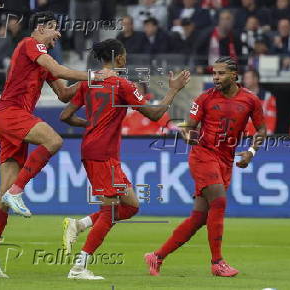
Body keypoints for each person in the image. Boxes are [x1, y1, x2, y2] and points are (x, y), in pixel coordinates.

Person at [0, 11, 112, 278]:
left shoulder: (42, 60)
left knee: (1, 195)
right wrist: (95, 75)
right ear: (41, 28)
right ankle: (18, 190)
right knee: (53, 139)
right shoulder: (30, 44)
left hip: (12, 118)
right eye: (54, 29)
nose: (58, 35)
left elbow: (63, 93)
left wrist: (90, 86)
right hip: (11, 113)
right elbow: (60, 69)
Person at [59, 38, 190, 280]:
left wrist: (91, 125)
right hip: (102, 154)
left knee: (130, 206)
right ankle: (79, 267)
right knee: (109, 213)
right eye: (125, 54)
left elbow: (65, 115)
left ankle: (80, 224)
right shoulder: (122, 84)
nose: (126, 58)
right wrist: (173, 89)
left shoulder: (90, 80)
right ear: (119, 57)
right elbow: (155, 114)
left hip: (96, 150)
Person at [144, 56, 266, 277]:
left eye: (221, 73)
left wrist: (251, 152)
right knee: (219, 200)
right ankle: (217, 262)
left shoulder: (251, 100)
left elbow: (262, 130)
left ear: (234, 75)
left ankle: (157, 256)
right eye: (214, 73)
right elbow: (187, 127)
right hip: (203, 155)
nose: (216, 78)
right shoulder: (204, 99)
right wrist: (187, 134)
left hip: (225, 160)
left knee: (200, 218)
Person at [242, 69, 276, 135]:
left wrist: (267, 137)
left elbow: (271, 119)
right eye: (244, 78)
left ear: (256, 79)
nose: (245, 81)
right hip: (242, 138)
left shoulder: (267, 97)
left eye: (247, 78)